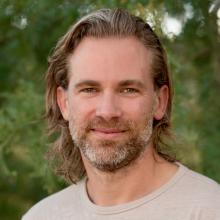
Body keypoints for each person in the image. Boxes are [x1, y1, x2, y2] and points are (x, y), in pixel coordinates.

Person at [22, 8, 220, 220]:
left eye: (128, 90)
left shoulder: (209, 210)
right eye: (89, 89)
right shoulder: (41, 216)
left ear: (160, 102)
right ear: (64, 103)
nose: (108, 112)